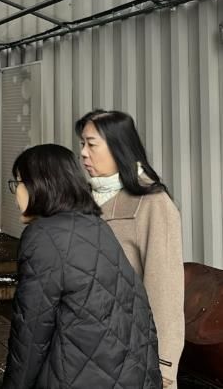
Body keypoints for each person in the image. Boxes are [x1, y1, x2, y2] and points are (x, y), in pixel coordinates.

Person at [1, 144, 161, 389]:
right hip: (129, 374)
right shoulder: (96, 225)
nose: (15, 194)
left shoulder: (44, 235)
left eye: (18, 182)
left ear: (40, 184)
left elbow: (31, 334)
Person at [76, 110, 184, 388]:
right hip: (80, 348)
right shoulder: (80, 200)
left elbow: (166, 292)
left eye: (91, 144)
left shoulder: (152, 204)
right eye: (82, 144)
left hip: (129, 352)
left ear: (118, 147)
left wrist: (164, 367)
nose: (83, 153)